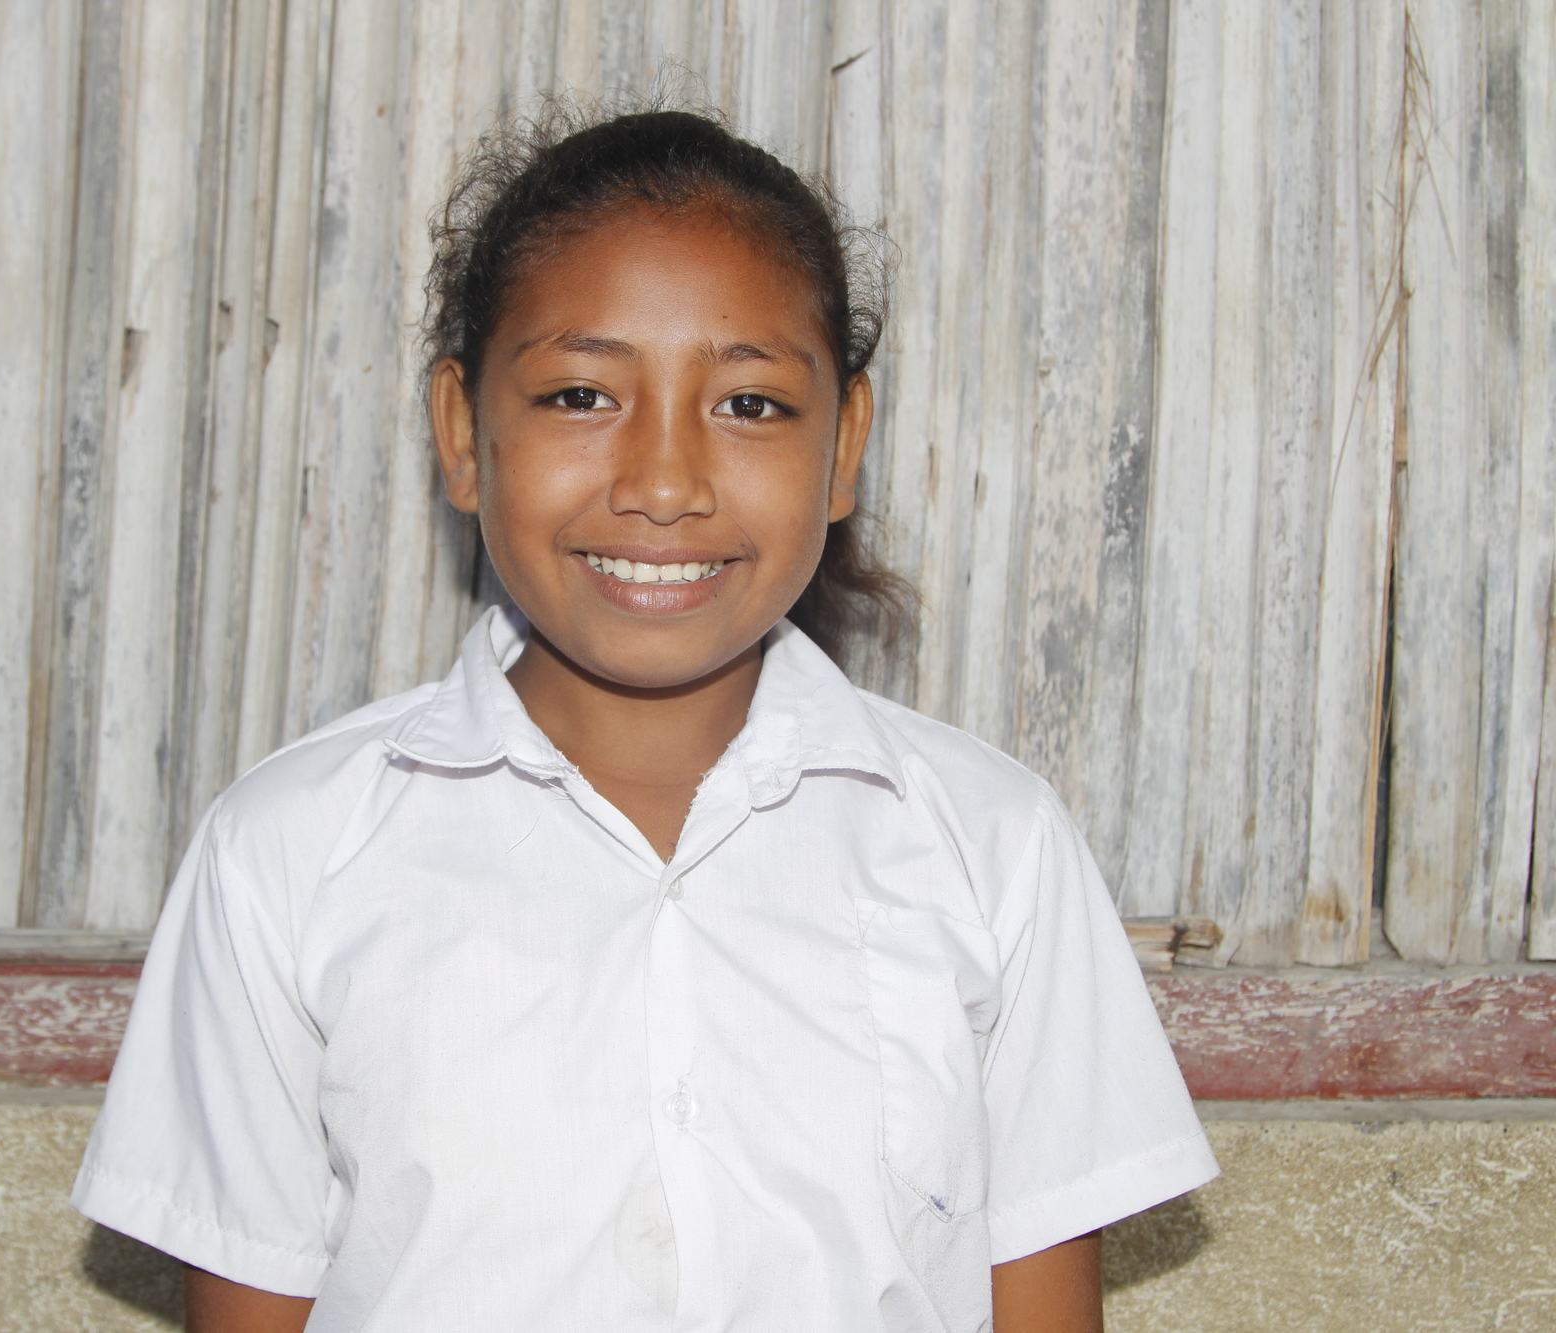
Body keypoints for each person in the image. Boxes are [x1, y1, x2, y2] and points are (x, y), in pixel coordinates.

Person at [72, 106, 1217, 1333]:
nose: (663, 483)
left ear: (844, 449)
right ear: (463, 435)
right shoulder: (289, 853)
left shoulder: (992, 848)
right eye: (579, 393)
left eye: (750, 406)